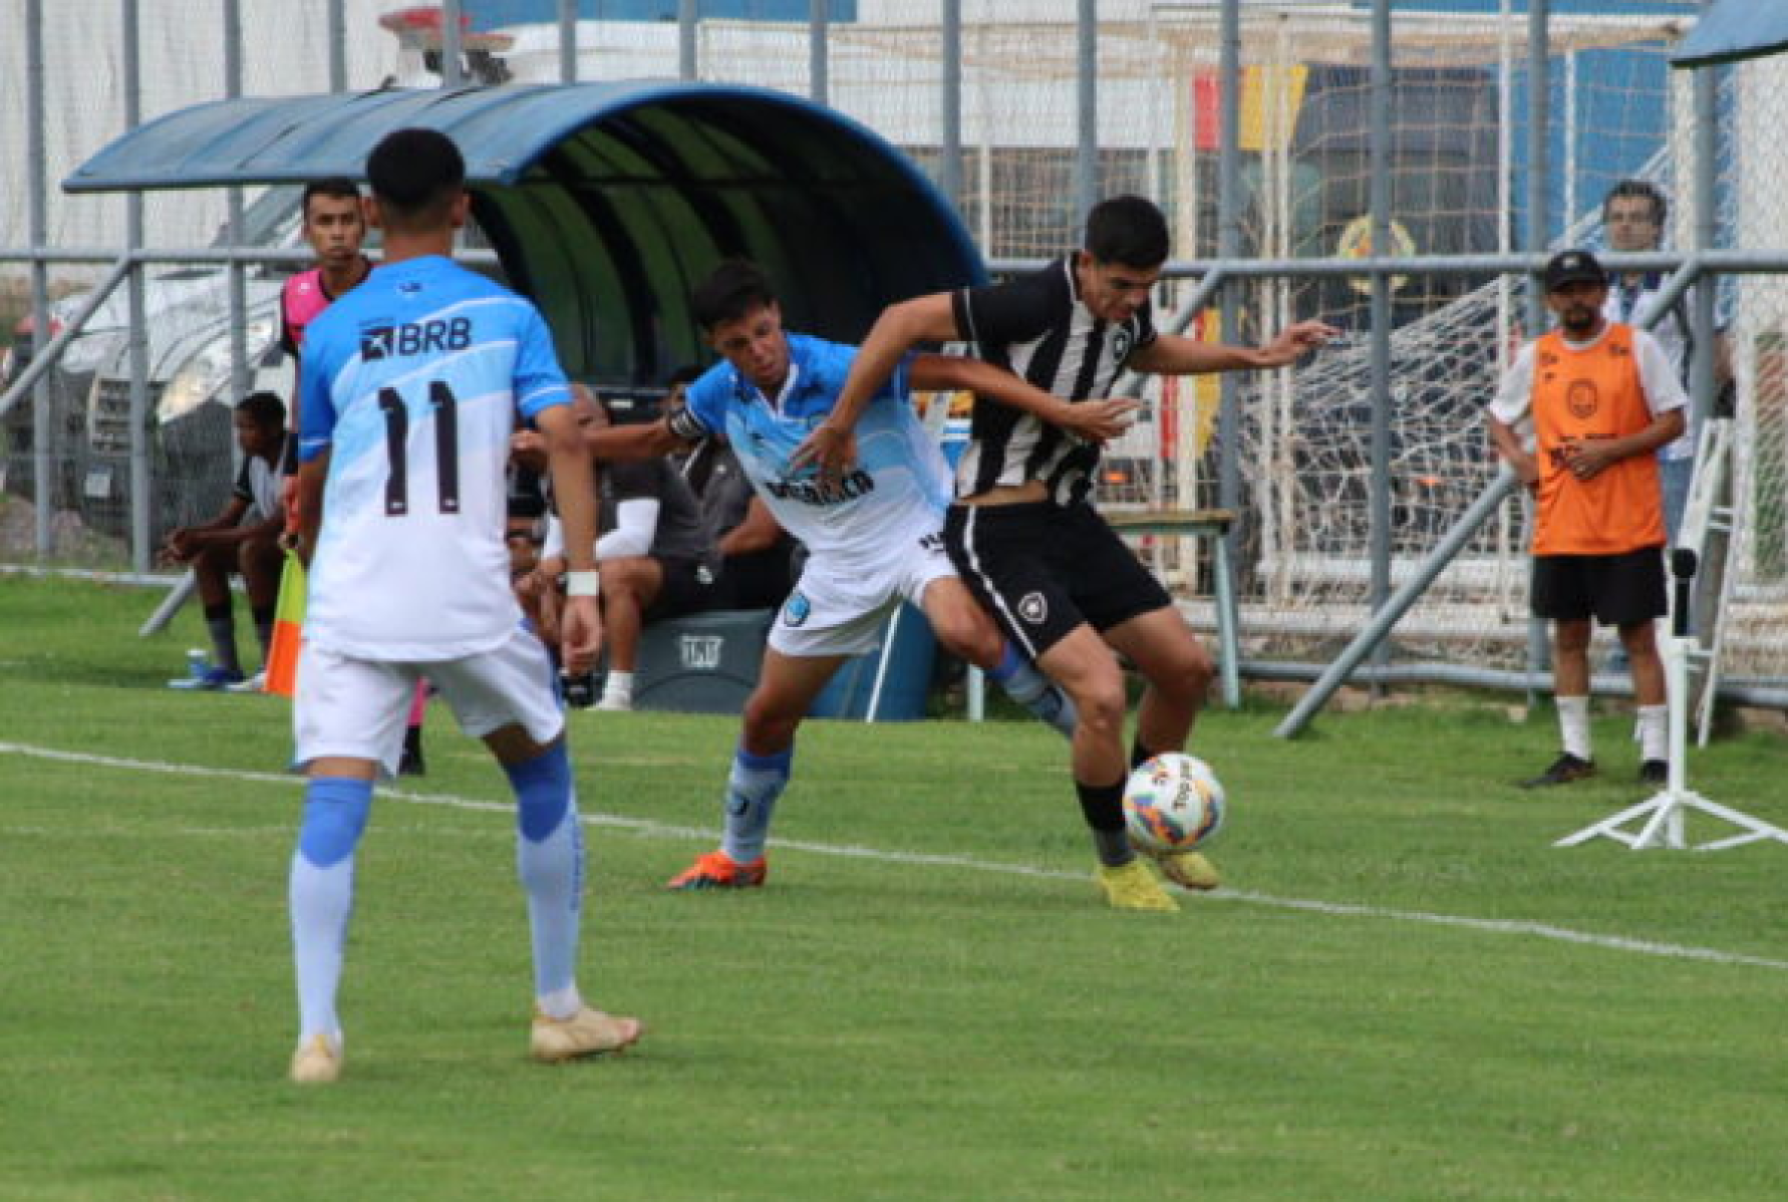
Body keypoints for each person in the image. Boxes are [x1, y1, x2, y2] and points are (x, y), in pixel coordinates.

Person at [798, 195, 1336, 912]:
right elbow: (900, 323)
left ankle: (1150, 824)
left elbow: (1146, 348)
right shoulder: (1028, 304)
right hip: (997, 531)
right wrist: (842, 424)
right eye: (1120, 285)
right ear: (1085, 263)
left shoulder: (1123, 313)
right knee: (1102, 695)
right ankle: (1116, 862)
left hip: (1071, 522)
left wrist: (1254, 355)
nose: (1133, 301)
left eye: (1148, 287)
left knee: (1185, 670)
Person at [583, 259, 1124, 892]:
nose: (757, 351)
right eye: (737, 343)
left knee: (965, 632)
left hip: (917, 528)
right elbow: (654, 439)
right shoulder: (717, 392)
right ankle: (740, 856)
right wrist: (561, 444)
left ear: (778, 316)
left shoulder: (838, 366)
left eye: (763, 332)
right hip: (836, 565)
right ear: (716, 346)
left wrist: (1062, 411)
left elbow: (959, 369)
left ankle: (1113, 766)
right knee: (765, 715)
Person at [285, 127, 640, 1085]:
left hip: (356, 591)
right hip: (465, 594)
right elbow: (565, 438)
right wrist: (575, 584)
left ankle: (318, 1035)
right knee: (542, 775)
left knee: (335, 803)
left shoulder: (326, 333)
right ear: (463, 207)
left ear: (366, 212)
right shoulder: (507, 313)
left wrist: (316, 566)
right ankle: (558, 1009)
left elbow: (309, 480)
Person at [1486, 249, 1687, 789]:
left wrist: (1612, 451)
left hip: (1627, 520)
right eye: (1564, 290)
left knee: (1640, 637)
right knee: (1568, 636)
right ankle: (1575, 751)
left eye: (1584, 288)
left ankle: (1656, 756)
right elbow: (1499, 416)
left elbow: (1672, 420)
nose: (1575, 299)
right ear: (1551, 300)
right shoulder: (1537, 355)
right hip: (1562, 522)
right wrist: (1522, 461)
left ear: (1602, 293)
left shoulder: (1635, 347)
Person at [524, 386, 724, 712]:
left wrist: (561, 564)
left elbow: (634, 539)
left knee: (617, 573)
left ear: (608, 421)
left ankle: (618, 693)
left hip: (692, 568)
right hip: (606, 570)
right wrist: (545, 585)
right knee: (528, 586)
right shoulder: (565, 470)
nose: (581, 435)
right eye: (569, 428)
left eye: (587, 423)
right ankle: (563, 685)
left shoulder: (631, 458)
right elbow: (553, 551)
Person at [1600, 178, 1731, 542]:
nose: (1625, 226)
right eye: (1617, 218)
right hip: (1605, 440)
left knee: (1676, 546)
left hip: (1671, 443)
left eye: (1637, 218)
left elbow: (1720, 354)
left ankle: (1681, 601)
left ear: (1657, 228)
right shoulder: (1592, 287)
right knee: (1611, 545)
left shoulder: (1681, 283)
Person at [160, 391, 289, 690]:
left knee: (252, 551)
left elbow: (272, 526)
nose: (241, 437)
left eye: (248, 428)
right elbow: (229, 518)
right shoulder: (253, 461)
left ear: (273, 428)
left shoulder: (293, 455)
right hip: (276, 543)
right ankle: (227, 666)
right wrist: (191, 537)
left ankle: (271, 664)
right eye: (238, 429)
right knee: (206, 556)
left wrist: (202, 536)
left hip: (303, 546)